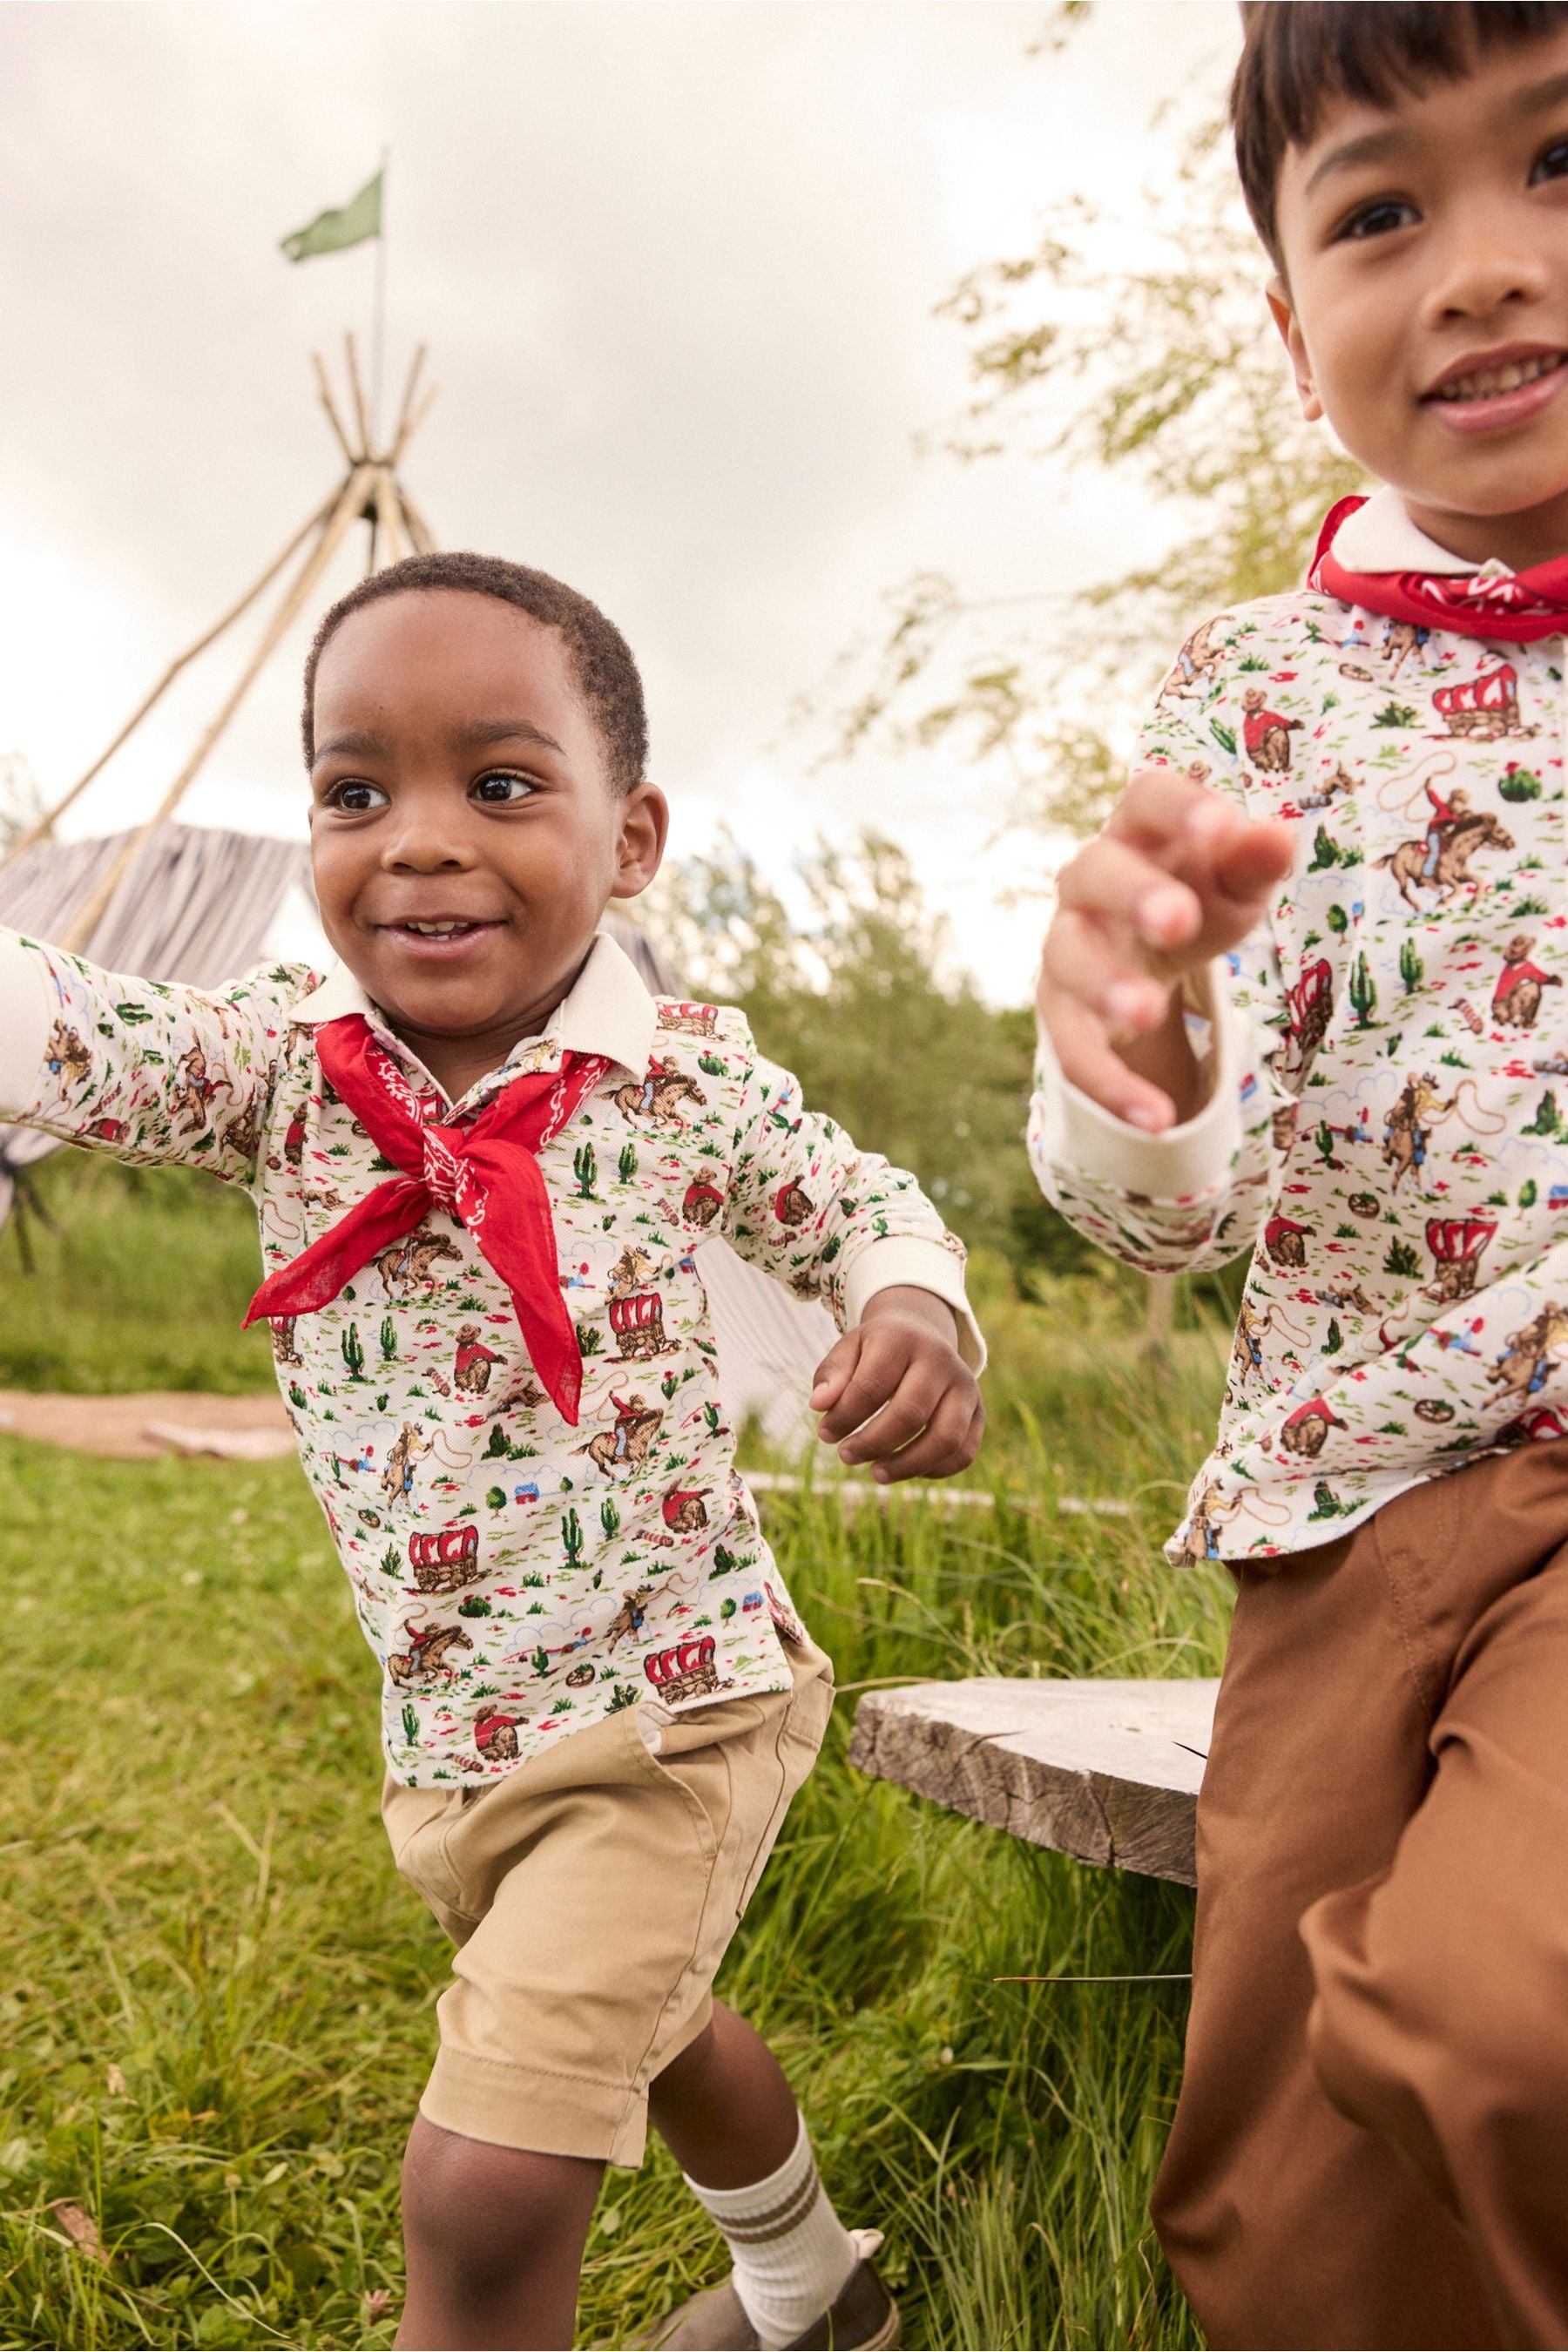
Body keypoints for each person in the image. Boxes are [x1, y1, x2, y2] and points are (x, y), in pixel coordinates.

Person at [3, 551, 984, 2350]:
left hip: (682, 1711)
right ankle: (817, 2296)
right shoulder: (278, 1075)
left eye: (502, 783)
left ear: (632, 841)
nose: (423, 839)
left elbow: (868, 1205)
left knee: (486, 2183)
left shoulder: (683, 1083)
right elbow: (69, 1033)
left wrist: (913, 1310)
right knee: (661, 2027)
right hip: (457, 1738)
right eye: (357, 789)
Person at [1030, 6, 1568, 2345]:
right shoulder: (1254, 691)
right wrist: (1143, 1065)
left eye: (1563, 166)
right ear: (1288, 321)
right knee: (1279, 2182)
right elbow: (1167, 1220)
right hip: (1338, 1511)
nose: (1479, 268)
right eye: (1382, 210)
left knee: (1500, 2009)